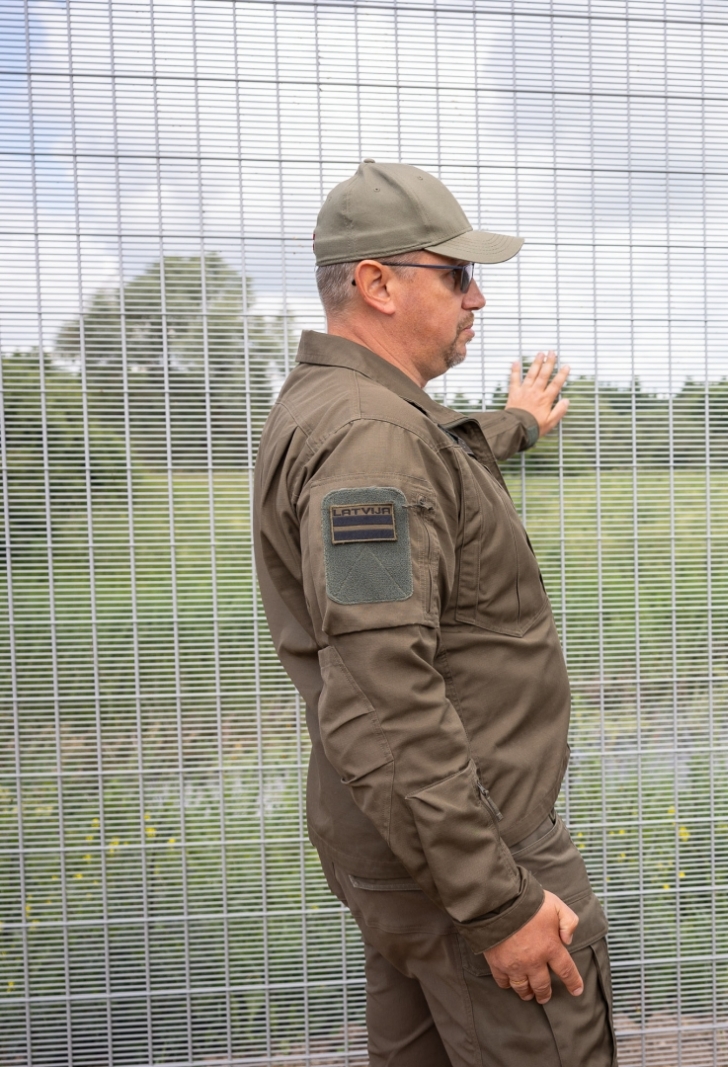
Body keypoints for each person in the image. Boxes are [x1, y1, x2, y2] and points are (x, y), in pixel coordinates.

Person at [253, 160, 614, 1065]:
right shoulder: (370, 435)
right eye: (454, 275)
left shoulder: (345, 410)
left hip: (405, 850)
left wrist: (514, 425)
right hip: (472, 853)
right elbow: (386, 692)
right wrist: (501, 901)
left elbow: (429, 475)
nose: (477, 297)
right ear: (375, 283)